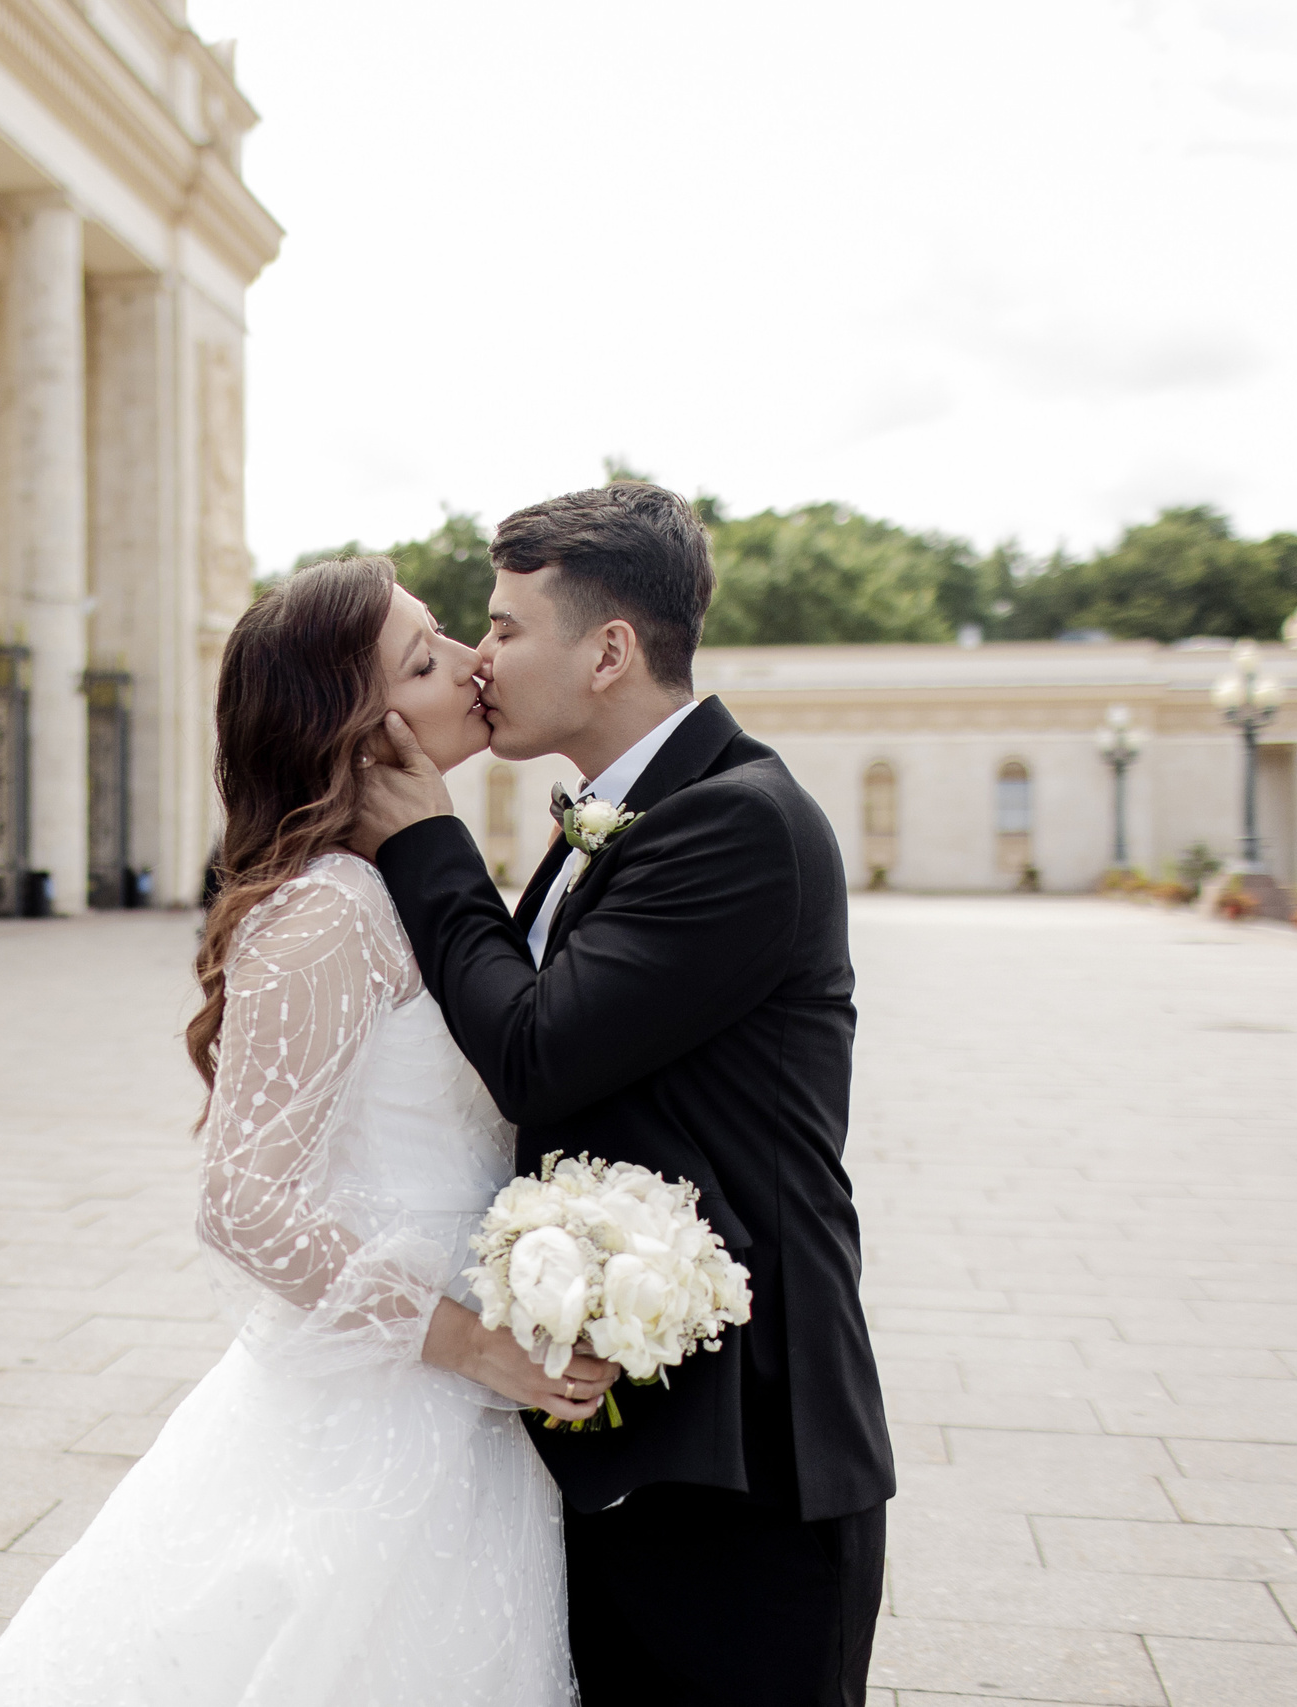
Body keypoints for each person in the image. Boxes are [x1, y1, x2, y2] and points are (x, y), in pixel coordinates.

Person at [0, 556, 602, 1707]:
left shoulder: (405, 884)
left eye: (452, 635)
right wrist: (461, 1340)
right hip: (392, 1391)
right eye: (425, 659)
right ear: (357, 733)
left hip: (462, 1405)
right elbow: (240, 1201)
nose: (471, 662)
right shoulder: (326, 910)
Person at [351, 483, 894, 1707]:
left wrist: (426, 842)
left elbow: (539, 1051)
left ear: (608, 650)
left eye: (503, 627)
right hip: (629, 1434)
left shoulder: (740, 823)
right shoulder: (628, 811)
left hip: (746, 1464)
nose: (480, 657)